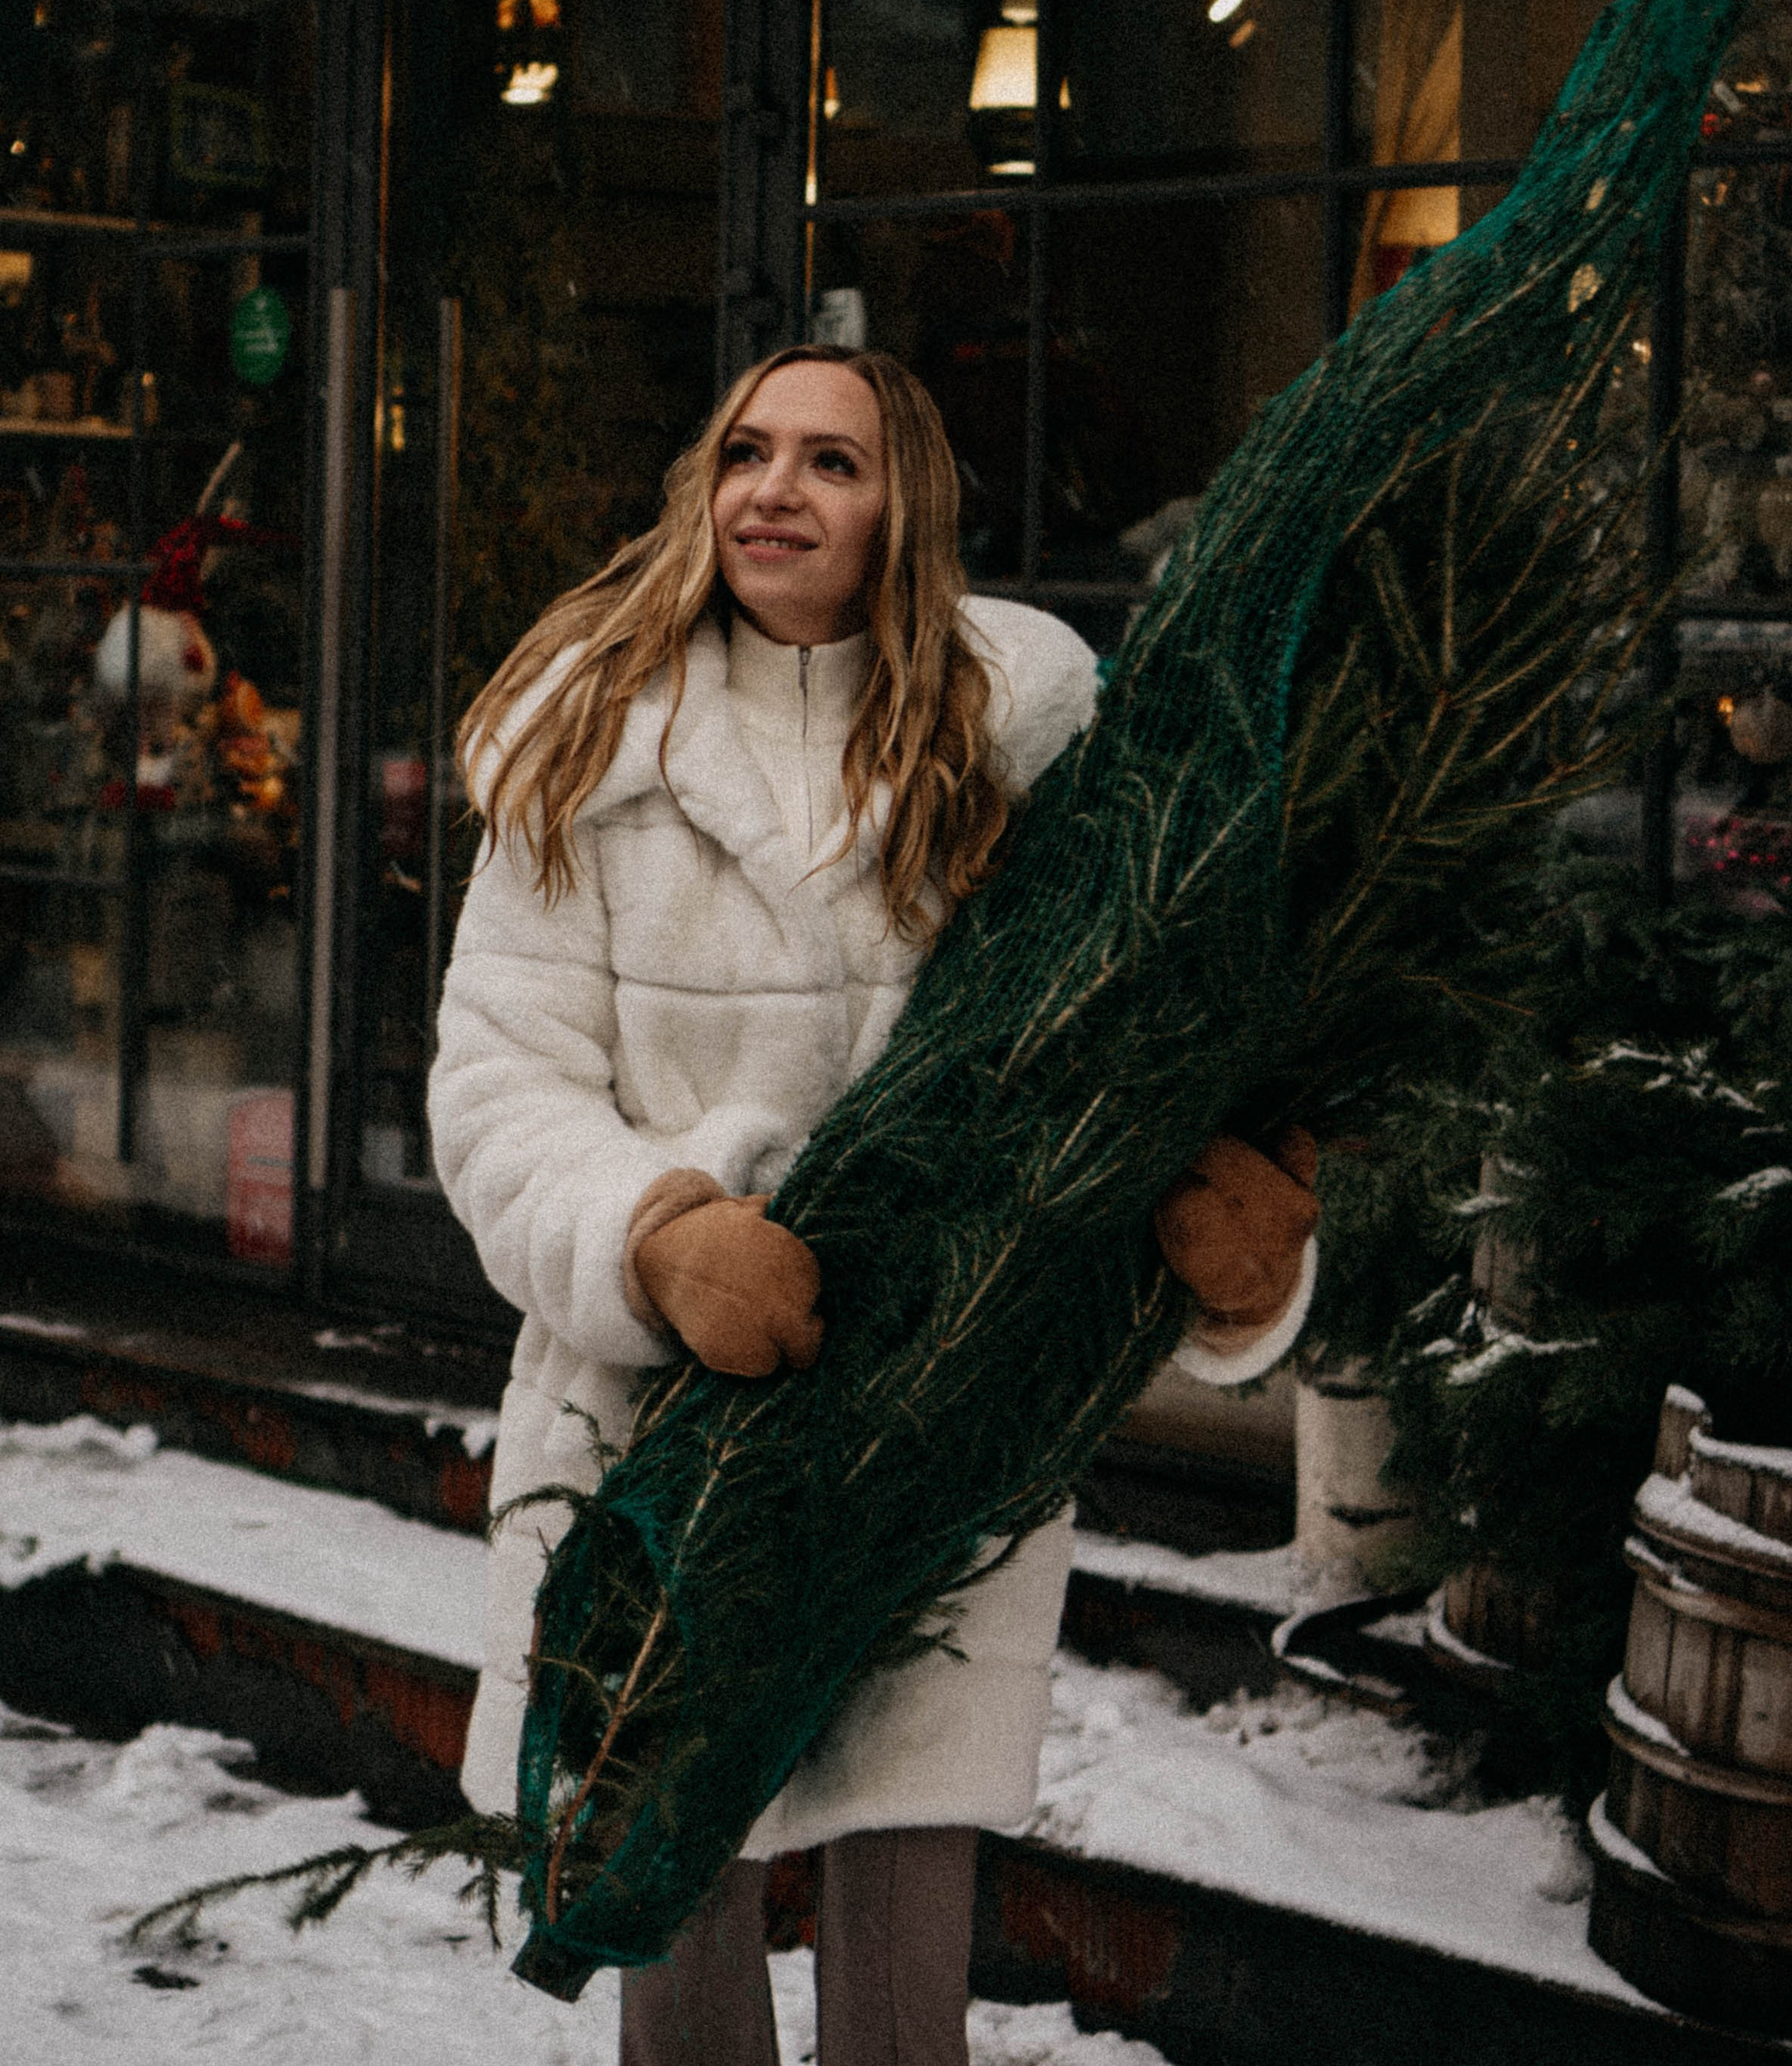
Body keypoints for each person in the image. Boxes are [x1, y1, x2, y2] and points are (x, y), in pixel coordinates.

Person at [430, 345, 1321, 2066]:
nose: (775, 489)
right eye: (746, 451)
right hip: (658, 1413)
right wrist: (655, 1233)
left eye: (829, 462)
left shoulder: (1027, 742)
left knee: (902, 1944)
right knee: (674, 1904)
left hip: (934, 1424)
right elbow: (492, 1087)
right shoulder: (587, 747)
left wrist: (1222, 1251)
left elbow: (1136, 1062)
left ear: (900, 503)